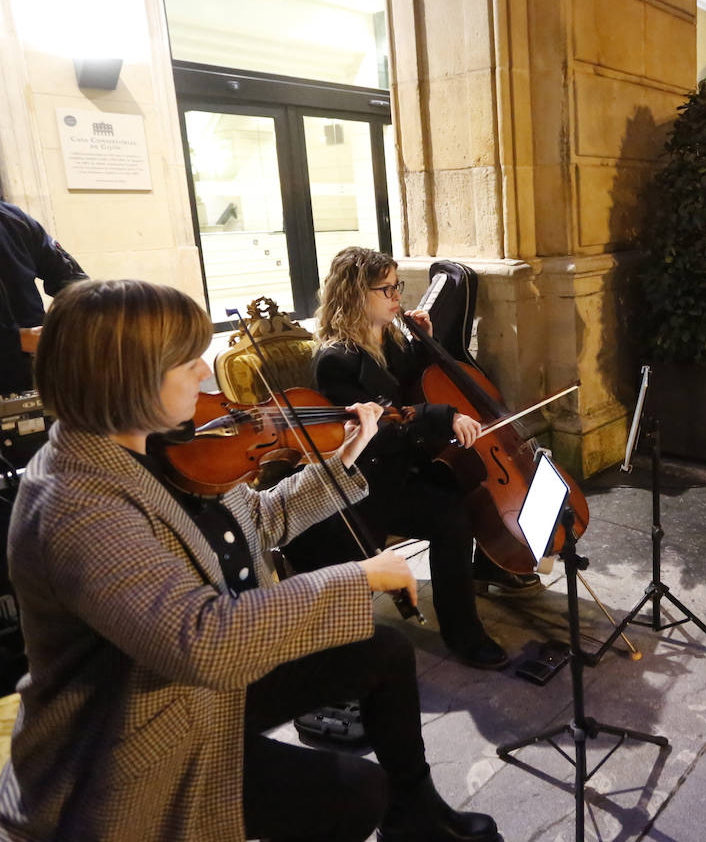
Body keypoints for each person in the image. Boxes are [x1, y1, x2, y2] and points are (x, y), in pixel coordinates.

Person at [1, 278, 498, 842]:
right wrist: (358, 574)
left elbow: (261, 520)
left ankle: (419, 817)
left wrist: (341, 461)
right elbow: (201, 641)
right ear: (125, 377)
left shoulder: (160, 444)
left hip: (189, 692)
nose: (203, 373)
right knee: (352, 793)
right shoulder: (75, 501)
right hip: (127, 744)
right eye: (185, 361)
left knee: (380, 651)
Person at [284, 247, 533, 671]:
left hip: (408, 461)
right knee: (450, 515)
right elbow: (380, 427)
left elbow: (416, 384)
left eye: (397, 285)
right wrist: (443, 417)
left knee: (470, 486)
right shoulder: (336, 360)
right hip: (371, 482)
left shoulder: (389, 336)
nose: (397, 296)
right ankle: (464, 635)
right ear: (355, 295)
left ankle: (487, 566)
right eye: (387, 289)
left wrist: (425, 340)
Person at [0, 200, 87, 395]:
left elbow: (70, 277)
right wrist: (14, 340)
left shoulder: (12, 218)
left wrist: (65, 318)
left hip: (34, 368)